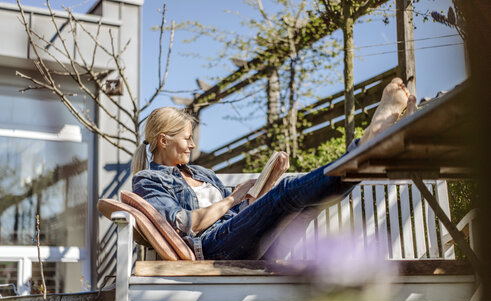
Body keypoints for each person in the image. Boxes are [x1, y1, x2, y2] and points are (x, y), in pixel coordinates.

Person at [131, 78, 417, 260]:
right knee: (287, 194)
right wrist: (232, 197)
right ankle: (363, 148)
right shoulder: (148, 179)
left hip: (236, 238)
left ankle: (365, 153)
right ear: (163, 140)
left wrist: (260, 189)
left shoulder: (202, 175)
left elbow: (238, 220)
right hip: (209, 248)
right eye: (186, 138)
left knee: (308, 205)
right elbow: (181, 223)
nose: (192, 145)